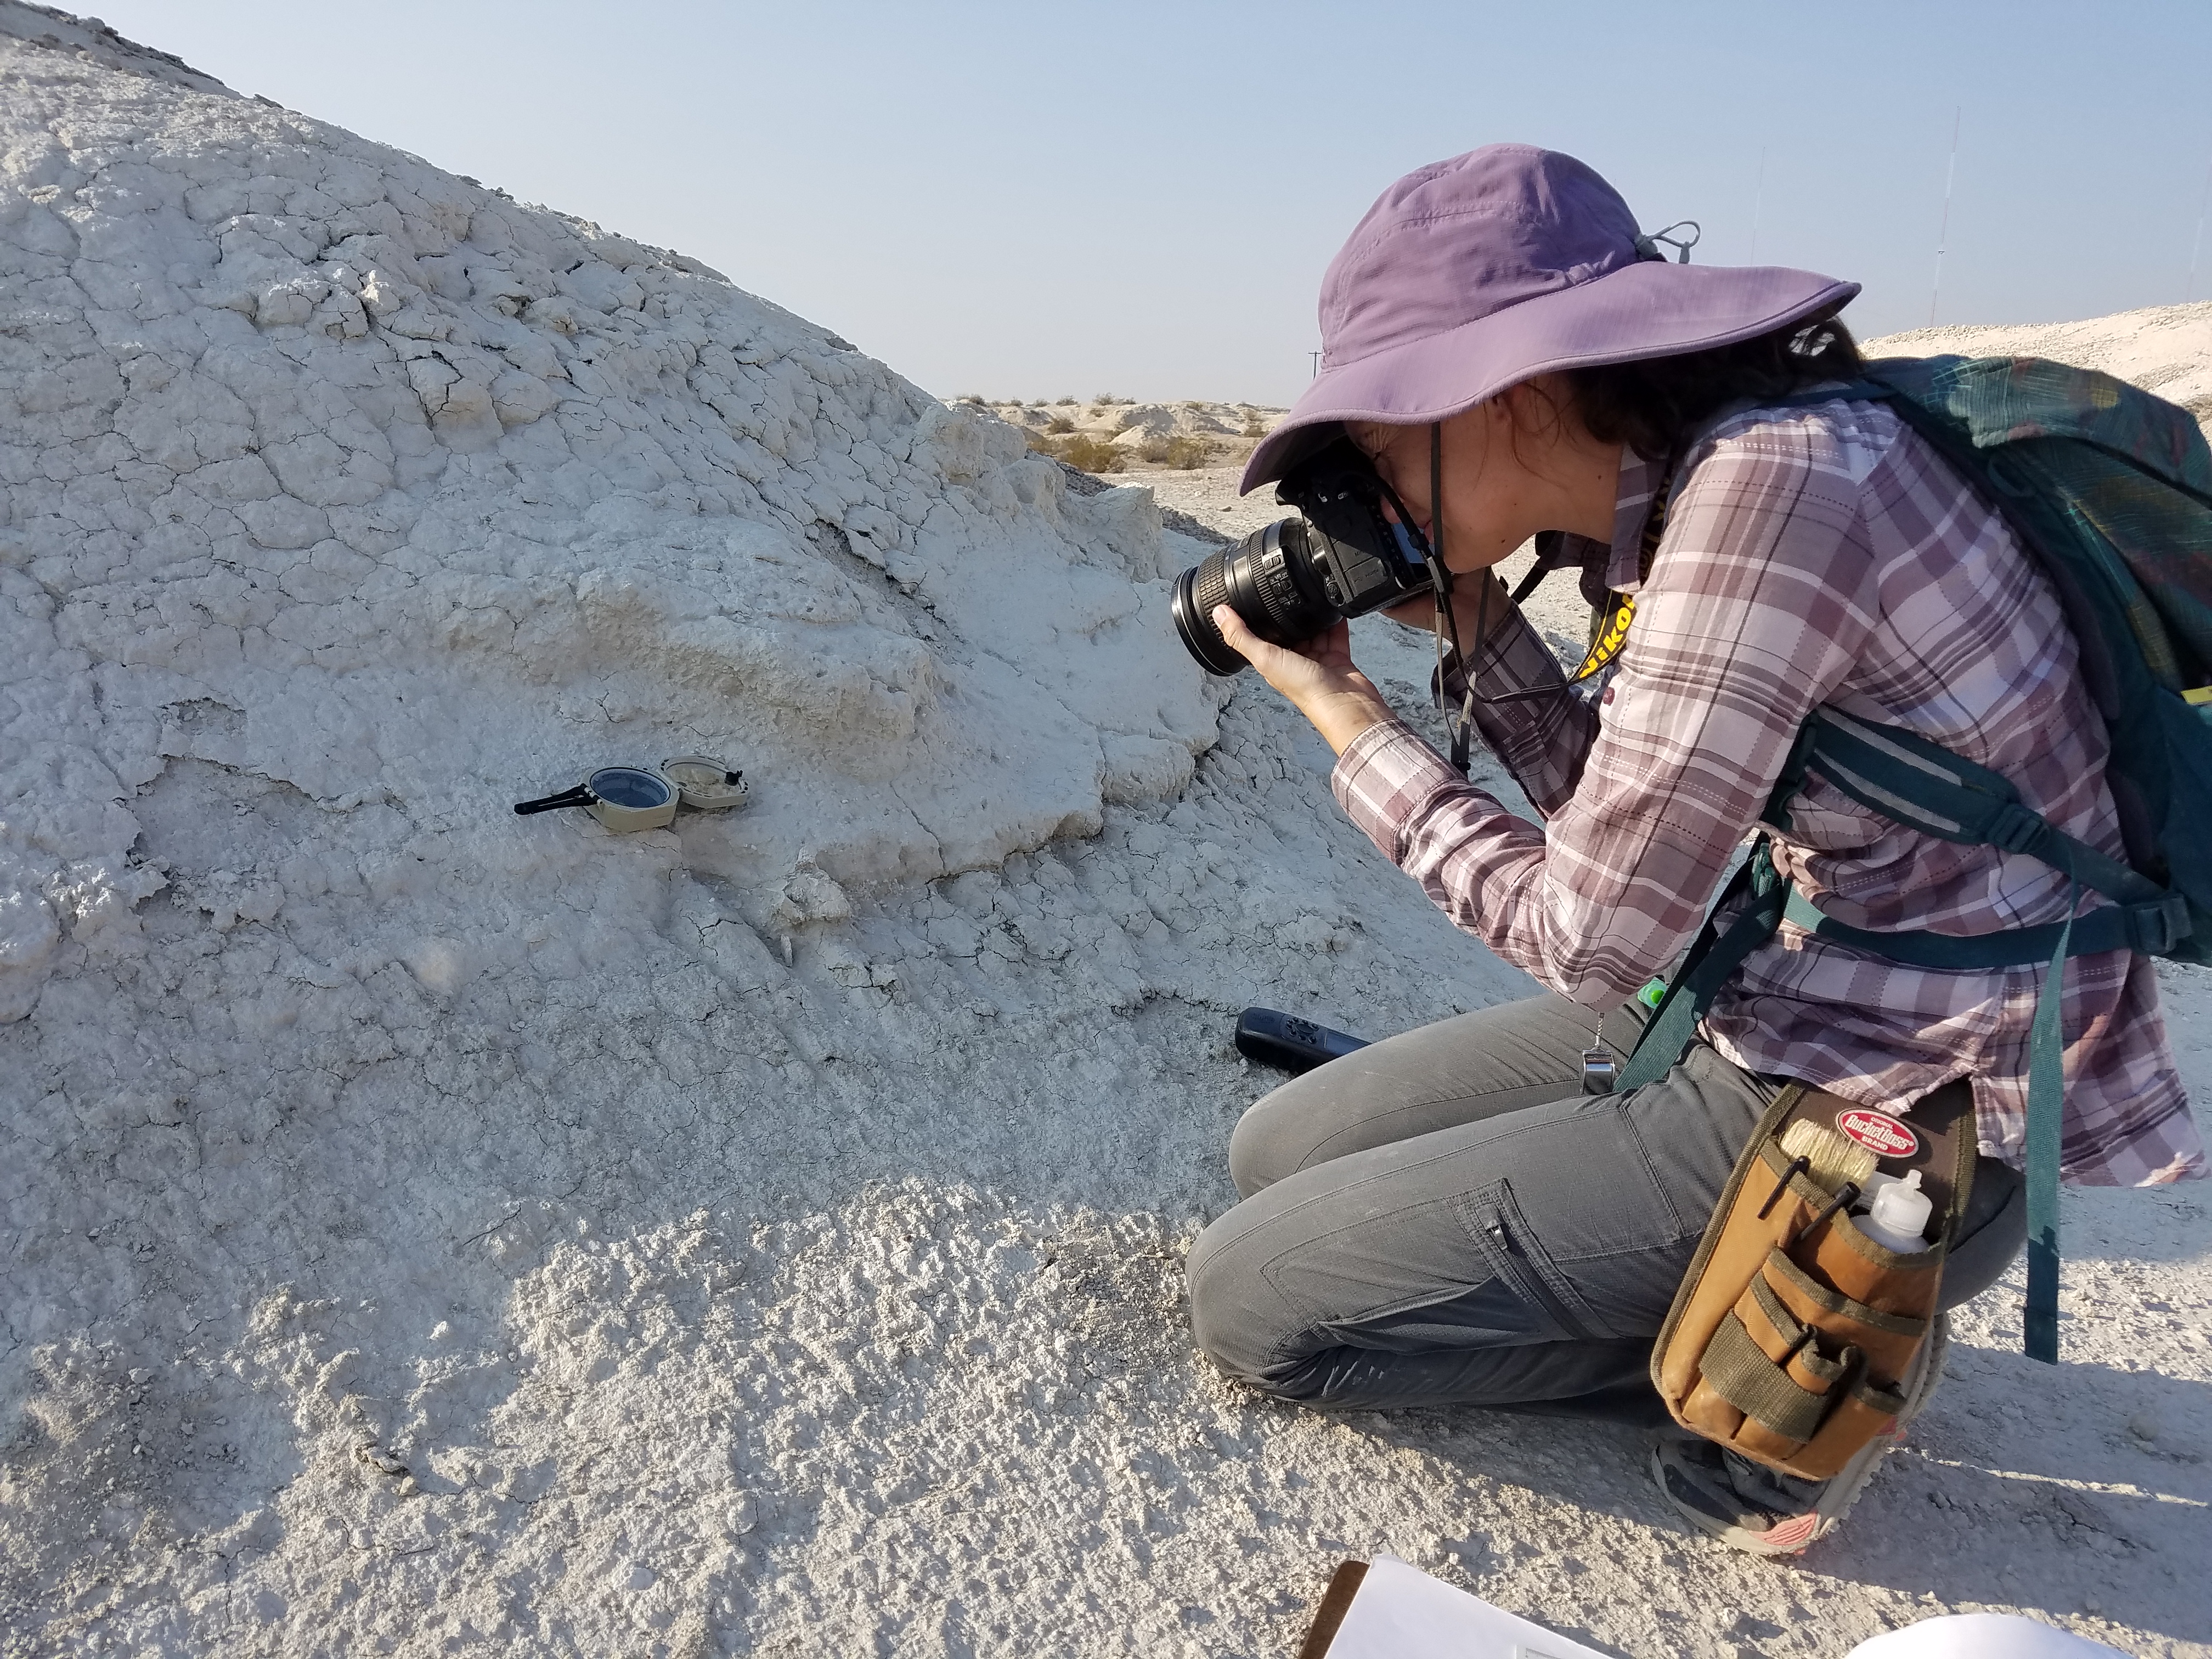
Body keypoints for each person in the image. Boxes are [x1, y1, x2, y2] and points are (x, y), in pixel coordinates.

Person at [1183, 145, 2203, 1555]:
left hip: (1894, 1112)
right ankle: (1758, 1297)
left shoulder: (1768, 498)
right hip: (1783, 992)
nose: (1368, 490)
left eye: (1377, 438)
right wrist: (1478, 629)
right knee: (1278, 1147)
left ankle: (1804, 1364)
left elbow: (1594, 934)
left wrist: (1350, 722)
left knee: (1254, 1302)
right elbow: (1645, 829)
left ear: (1515, 390)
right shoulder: (1722, 471)